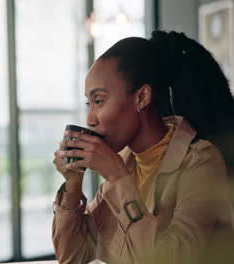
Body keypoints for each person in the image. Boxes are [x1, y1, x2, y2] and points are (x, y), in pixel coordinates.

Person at [52, 30, 234, 264]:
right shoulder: (127, 160)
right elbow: (73, 256)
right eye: (89, 103)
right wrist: (73, 185)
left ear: (142, 97)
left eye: (99, 101)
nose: (90, 119)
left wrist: (119, 179)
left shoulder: (201, 162)